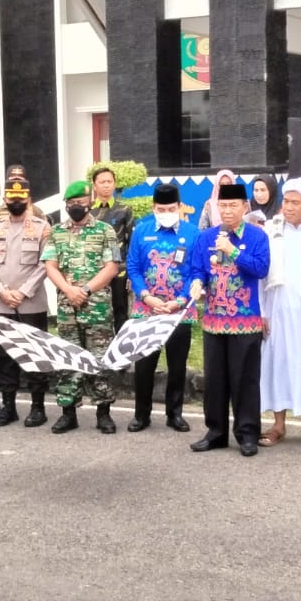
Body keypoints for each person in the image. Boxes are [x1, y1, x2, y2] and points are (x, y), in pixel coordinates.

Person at [187, 181, 272, 456]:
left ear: (245, 207)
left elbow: (260, 269)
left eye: (233, 205)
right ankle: (216, 432)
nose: (227, 211)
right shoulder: (205, 237)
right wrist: (196, 283)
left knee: (245, 380)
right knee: (215, 380)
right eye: (222, 205)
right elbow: (197, 270)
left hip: (245, 322)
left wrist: (232, 250)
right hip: (214, 321)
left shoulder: (258, 237)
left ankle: (247, 434)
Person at [43, 180, 121, 433]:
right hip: (67, 308)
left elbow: (112, 267)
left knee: (100, 359)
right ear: (66, 205)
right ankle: (68, 413)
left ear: (90, 202)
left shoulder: (105, 230)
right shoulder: (56, 232)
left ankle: (103, 413)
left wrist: (86, 290)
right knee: (68, 358)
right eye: (72, 203)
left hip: (97, 307)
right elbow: (50, 265)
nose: (77, 206)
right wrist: (68, 290)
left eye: (81, 202)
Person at [258, 177, 301, 448]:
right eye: (286, 201)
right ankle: (278, 424)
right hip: (276, 309)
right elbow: (262, 275)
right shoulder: (271, 230)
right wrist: (262, 312)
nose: (288, 207)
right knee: (277, 363)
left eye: (295, 202)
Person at [125, 182, 196, 433]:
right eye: (161, 208)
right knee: (144, 365)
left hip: (179, 312)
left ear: (179, 207)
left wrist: (180, 300)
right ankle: (141, 415)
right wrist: (145, 296)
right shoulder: (141, 231)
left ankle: (174, 414)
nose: (166, 212)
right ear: (154, 208)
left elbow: (196, 271)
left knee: (177, 365)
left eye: (171, 208)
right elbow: (133, 267)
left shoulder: (192, 233)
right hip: (148, 310)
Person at [0, 179, 55, 427]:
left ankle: (37, 408)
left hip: (31, 303)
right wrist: (2, 292)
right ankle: (9, 407)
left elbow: (46, 263)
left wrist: (23, 292)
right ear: (5, 199)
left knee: (36, 355)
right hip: (1, 304)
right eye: (11, 198)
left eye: (20, 198)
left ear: (28, 199)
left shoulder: (41, 226)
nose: (15, 202)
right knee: (4, 357)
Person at [89, 164, 135, 333]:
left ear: (114, 184)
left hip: (119, 271)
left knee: (120, 312)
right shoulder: (88, 212)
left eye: (109, 181)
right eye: (102, 182)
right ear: (94, 185)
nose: (106, 185)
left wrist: (130, 272)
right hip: (93, 270)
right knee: (95, 311)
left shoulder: (124, 209)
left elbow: (131, 243)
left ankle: (121, 353)